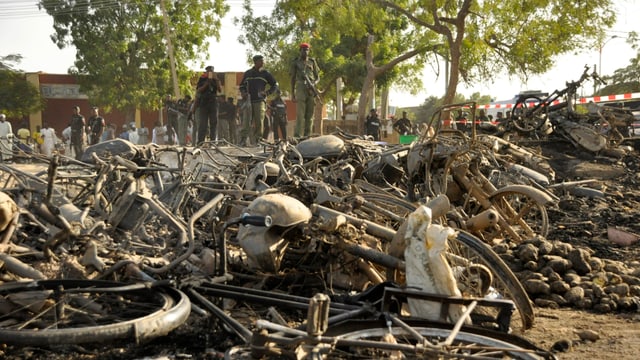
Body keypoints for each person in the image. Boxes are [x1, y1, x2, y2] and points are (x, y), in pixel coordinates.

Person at [239, 55, 279, 146]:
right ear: (255, 62)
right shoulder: (248, 73)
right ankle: (243, 140)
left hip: (260, 101)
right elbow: (241, 86)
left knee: (259, 122)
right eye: (260, 61)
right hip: (249, 100)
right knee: (246, 121)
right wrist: (243, 92)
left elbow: (275, 85)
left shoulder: (265, 73)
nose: (263, 63)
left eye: (263, 61)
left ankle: (258, 140)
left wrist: (268, 93)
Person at [290, 42, 319, 137]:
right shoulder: (295, 62)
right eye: (303, 50)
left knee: (310, 115)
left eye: (307, 50)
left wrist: (314, 83)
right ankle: (297, 136)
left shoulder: (312, 62)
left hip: (311, 89)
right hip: (301, 88)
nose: (305, 52)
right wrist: (292, 94)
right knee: (300, 114)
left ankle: (307, 136)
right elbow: (293, 78)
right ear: (300, 51)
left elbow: (317, 77)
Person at [196, 65, 222, 144]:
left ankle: (213, 141)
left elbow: (220, 90)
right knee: (203, 124)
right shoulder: (202, 79)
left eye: (212, 71)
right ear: (206, 72)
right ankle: (201, 141)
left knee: (213, 123)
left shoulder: (216, 79)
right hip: (204, 102)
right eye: (209, 71)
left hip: (213, 102)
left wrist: (216, 79)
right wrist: (206, 83)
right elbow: (199, 90)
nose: (210, 72)